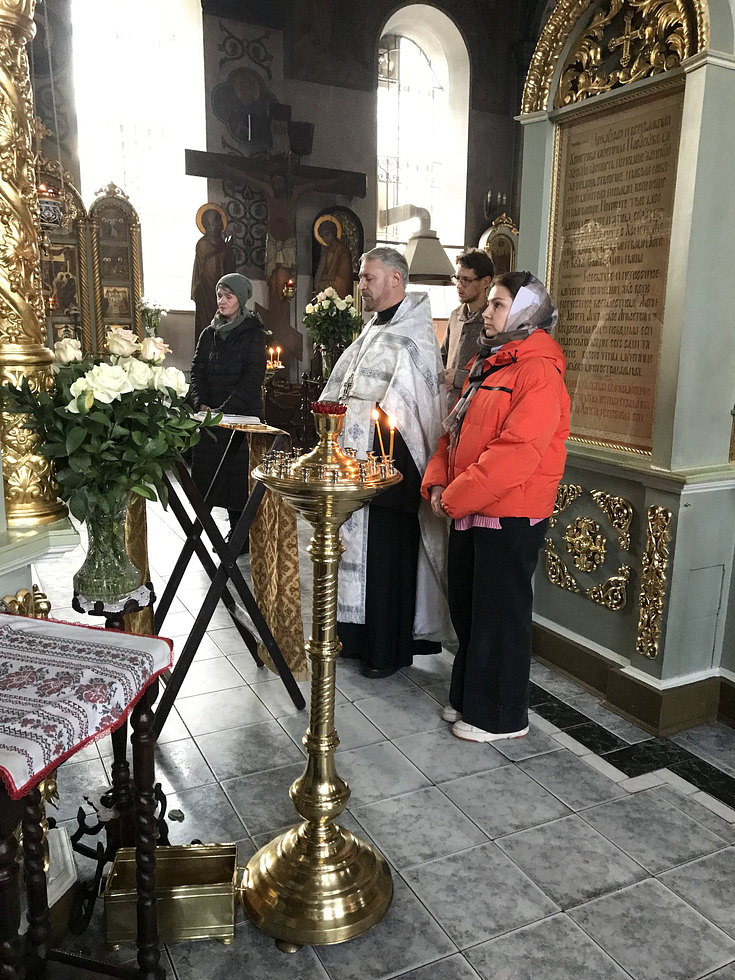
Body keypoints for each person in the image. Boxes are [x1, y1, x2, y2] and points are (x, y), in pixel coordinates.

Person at [421, 271, 570, 741]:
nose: (487, 311)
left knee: (500, 617)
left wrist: (455, 496)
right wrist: (438, 481)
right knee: (470, 610)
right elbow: (453, 431)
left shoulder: (538, 371)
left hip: (511, 514)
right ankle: (470, 698)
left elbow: (517, 452)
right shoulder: (490, 361)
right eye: (489, 304)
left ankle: (501, 717)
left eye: (498, 304)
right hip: (471, 507)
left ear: (525, 313)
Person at [321, 246, 453, 677]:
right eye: (361, 277)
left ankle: (387, 650)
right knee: (360, 554)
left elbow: (414, 410)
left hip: (393, 464)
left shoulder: (412, 336)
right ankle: (357, 639)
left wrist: (382, 459)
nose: (360, 285)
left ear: (395, 279)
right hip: (357, 460)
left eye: (368, 277)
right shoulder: (374, 328)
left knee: (387, 558)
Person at [189, 273, 266, 549]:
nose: (221, 301)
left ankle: (240, 535)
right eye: (219, 295)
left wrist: (224, 412)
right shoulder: (208, 334)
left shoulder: (254, 334)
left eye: (228, 296)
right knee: (210, 480)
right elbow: (196, 372)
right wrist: (200, 403)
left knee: (238, 480)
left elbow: (252, 378)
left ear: (241, 300)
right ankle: (204, 531)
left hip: (240, 417)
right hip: (210, 417)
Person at [441, 248, 494, 401]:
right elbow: (442, 357)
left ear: (485, 282)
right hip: (447, 406)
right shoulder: (455, 315)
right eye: (457, 278)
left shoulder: (494, 321)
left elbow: (496, 372)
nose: (459, 285)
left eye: (466, 280)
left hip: (477, 405)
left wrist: (459, 378)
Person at [191, 206, 236, 343]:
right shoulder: (203, 244)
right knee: (208, 324)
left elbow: (228, 266)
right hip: (207, 292)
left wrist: (228, 250)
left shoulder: (221, 243)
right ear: (210, 224)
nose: (221, 224)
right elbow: (210, 270)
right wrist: (225, 250)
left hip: (222, 292)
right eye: (218, 220)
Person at [313, 218, 354, 299]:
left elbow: (344, 278)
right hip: (325, 291)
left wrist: (326, 282)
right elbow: (320, 274)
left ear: (334, 233)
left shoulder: (343, 251)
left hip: (338, 291)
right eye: (322, 236)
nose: (325, 238)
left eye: (327, 234)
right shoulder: (326, 252)